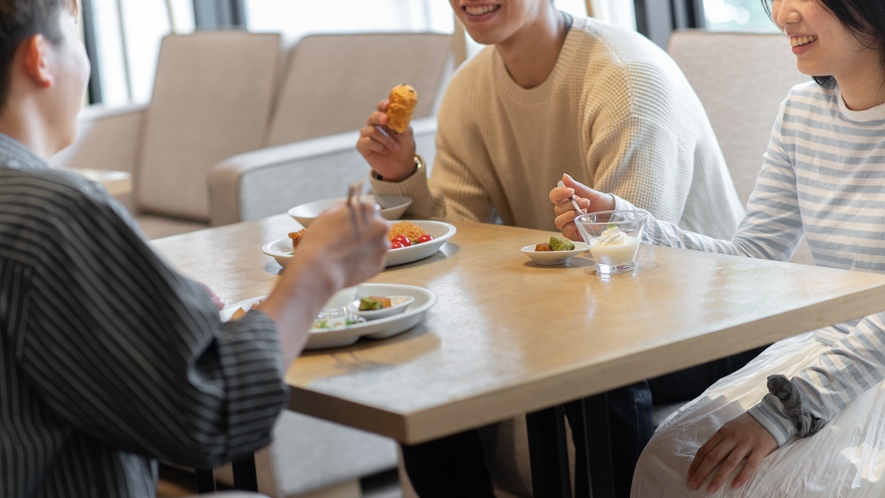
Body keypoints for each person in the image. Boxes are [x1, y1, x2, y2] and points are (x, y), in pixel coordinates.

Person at [356, 0, 758, 496]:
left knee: (593, 363)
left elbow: (629, 260)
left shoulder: (628, 78)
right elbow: (455, 244)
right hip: (573, 311)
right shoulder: (469, 88)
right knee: (423, 349)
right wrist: (401, 176)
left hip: (708, 319)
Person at [0, 1, 390, 496]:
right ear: (41, 58)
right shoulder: (55, 213)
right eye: (75, 36)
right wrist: (315, 274)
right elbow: (209, 411)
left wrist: (165, 313)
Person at [551, 0, 885, 495]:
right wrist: (626, 221)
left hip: (870, 362)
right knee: (672, 464)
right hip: (829, 347)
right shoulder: (800, 111)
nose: (783, 16)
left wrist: (784, 413)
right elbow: (754, 256)